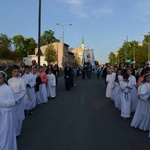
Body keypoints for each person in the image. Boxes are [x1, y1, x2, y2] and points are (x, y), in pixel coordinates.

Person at [0, 71, 17, 150]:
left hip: (6, 115)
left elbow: (12, 102)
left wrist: (1, 103)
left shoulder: (8, 88)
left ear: (4, 79)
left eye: (0, 78)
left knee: (5, 134)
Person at [8, 65, 26, 136]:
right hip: (11, 99)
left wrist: (17, 99)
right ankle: (13, 130)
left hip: (19, 99)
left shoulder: (21, 80)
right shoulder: (9, 80)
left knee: (18, 116)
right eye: (15, 72)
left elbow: (24, 91)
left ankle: (17, 132)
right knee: (12, 116)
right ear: (12, 72)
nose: (16, 73)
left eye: (18, 72)